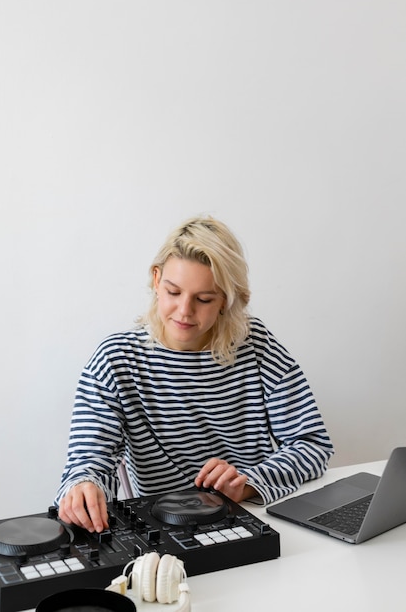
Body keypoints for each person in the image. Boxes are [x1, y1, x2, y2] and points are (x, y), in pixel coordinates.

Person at [56, 215, 334, 533]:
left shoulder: (256, 345)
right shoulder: (116, 360)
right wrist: (83, 486)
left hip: (251, 521)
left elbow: (313, 444)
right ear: (156, 280)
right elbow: (89, 458)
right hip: (167, 534)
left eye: (204, 299)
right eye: (174, 292)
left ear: (227, 301)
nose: (185, 311)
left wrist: (249, 483)